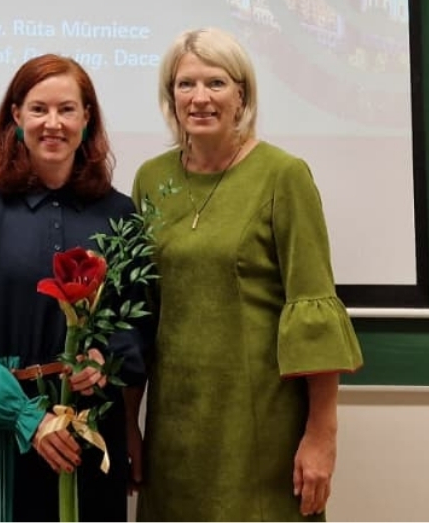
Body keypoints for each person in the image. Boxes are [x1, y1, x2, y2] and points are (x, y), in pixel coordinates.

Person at [131, 27, 363, 521]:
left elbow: (313, 307)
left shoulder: (283, 175)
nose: (200, 98)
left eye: (215, 83)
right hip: (174, 429)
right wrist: (130, 421)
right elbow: (140, 317)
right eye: (186, 84)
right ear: (171, 96)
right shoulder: (151, 179)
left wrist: (322, 435)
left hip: (261, 430)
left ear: (242, 94)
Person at [0, 54, 146, 522]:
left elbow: (137, 324)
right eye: (38, 109)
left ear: (87, 118)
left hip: (92, 432)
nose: (53, 123)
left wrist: (105, 362)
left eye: (67, 109)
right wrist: (26, 419)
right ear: (16, 117)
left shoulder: (120, 214)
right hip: (4, 431)